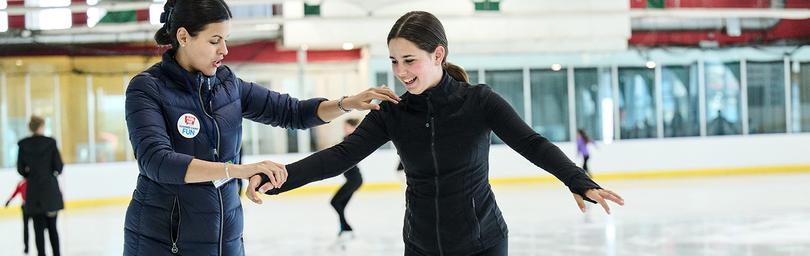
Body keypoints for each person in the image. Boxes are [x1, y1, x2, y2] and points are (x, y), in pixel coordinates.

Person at [247, 11, 624, 256]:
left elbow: (531, 142)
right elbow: (339, 157)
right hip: (421, 245)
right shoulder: (391, 111)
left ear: (438, 55)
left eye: (409, 60)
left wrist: (576, 180)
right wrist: (279, 179)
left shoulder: (478, 101)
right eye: (394, 61)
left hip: (483, 244)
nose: (400, 71)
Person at [123, 0, 400, 255]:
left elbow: (292, 112)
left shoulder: (227, 85)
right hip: (161, 242)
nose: (225, 50)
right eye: (214, 40)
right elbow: (156, 161)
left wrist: (347, 103)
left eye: (226, 40)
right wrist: (237, 170)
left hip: (225, 239)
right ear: (183, 37)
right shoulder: (148, 88)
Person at [17, 116, 64, 256]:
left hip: (34, 193)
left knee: (38, 231)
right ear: (41, 126)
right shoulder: (51, 143)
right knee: (52, 228)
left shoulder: (23, 145)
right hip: (50, 192)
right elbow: (59, 167)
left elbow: (20, 169)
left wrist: (30, 174)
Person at [329, 118, 364, 240]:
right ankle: (345, 227)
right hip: (354, 179)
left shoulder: (350, 139)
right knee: (338, 204)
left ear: (353, 128)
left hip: (354, 180)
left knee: (335, 202)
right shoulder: (350, 139)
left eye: (346, 126)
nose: (344, 129)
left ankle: (346, 227)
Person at [5, 179, 30, 254]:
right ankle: (26, 247)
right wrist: (9, 200)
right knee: (26, 227)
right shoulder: (21, 183)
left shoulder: (32, 181)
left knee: (37, 227)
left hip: (34, 207)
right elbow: (15, 192)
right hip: (25, 208)